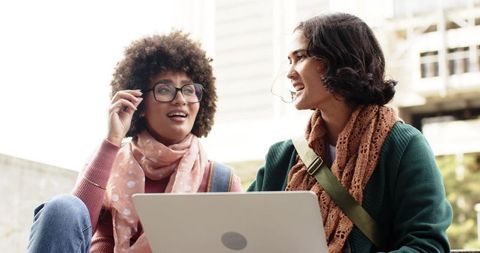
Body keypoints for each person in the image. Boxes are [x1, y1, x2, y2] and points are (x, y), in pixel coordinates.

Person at [247, 13, 452, 252]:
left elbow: (427, 245)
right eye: (289, 61)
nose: (290, 73)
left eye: (300, 57)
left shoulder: (404, 147)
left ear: (338, 58)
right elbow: (246, 232)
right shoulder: (282, 157)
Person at [27, 31, 242, 253]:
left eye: (189, 90)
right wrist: (112, 141)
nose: (180, 99)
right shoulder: (108, 161)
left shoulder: (221, 181)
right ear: (139, 104)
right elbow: (71, 226)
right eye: (165, 89)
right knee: (63, 208)